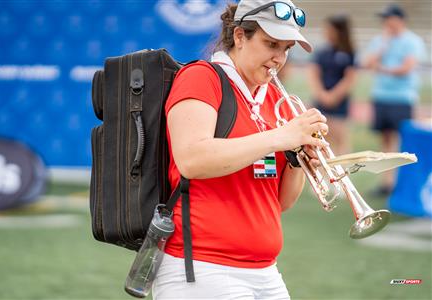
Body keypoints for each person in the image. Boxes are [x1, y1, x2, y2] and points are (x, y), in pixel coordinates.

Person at [152, 0, 329, 299]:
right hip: (201, 267)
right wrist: (280, 137)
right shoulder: (202, 77)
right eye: (271, 43)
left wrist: (299, 158)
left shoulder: (275, 98)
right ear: (239, 37)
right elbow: (192, 160)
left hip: (265, 270)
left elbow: (280, 202)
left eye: (286, 49)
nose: (279, 58)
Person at [362, 3, 426, 196]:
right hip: (381, 96)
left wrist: (382, 69)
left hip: (401, 97)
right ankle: (387, 183)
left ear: (400, 19)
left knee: (402, 142)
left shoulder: (412, 41)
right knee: (385, 140)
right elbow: (368, 63)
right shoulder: (381, 40)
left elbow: (406, 68)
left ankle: (402, 184)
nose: (386, 22)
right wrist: (383, 46)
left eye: (389, 18)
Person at [308, 15, 356, 155]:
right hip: (321, 101)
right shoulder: (322, 52)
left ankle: (340, 173)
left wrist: (334, 96)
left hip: (339, 103)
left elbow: (349, 78)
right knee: (321, 139)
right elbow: (314, 73)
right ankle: (324, 173)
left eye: (330, 29)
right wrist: (321, 94)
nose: (327, 32)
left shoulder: (349, 53)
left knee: (341, 139)